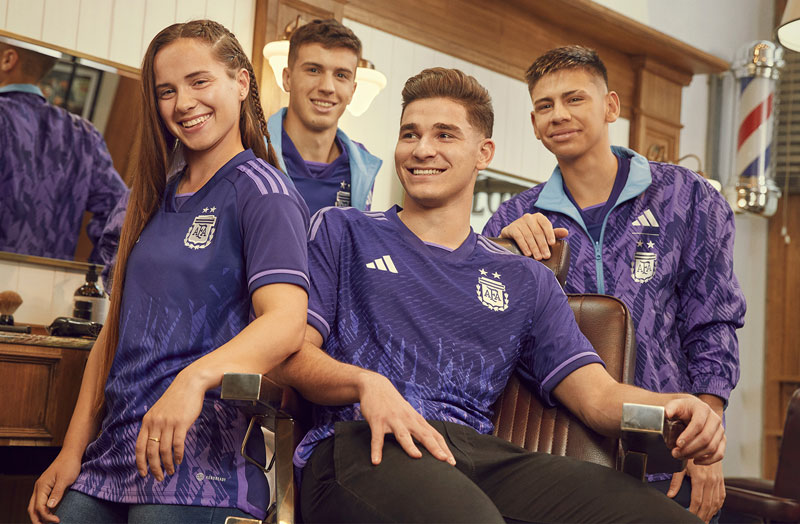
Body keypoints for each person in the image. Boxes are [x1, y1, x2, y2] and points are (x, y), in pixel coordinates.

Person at [269, 67, 725, 523]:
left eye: (444, 134)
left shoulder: (525, 278)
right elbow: (290, 352)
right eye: (410, 134)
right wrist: (365, 383)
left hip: (472, 453)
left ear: (483, 153)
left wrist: (676, 406)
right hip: (360, 443)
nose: (422, 149)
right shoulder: (343, 230)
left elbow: (596, 396)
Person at [28, 20, 309, 523]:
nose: (183, 103)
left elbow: (286, 322)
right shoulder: (149, 198)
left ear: (241, 83)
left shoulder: (264, 193)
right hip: (114, 451)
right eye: (166, 91)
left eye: (199, 82)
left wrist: (191, 380)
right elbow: (115, 333)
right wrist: (72, 451)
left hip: (204, 457)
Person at [482, 45, 746, 523]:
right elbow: (495, 346)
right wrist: (503, 250)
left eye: (574, 99)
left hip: (668, 451)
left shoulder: (686, 197)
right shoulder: (513, 219)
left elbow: (713, 325)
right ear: (534, 123)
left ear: (610, 106)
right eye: (545, 105)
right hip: (561, 457)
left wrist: (705, 441)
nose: (558, 115)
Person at [0, 42, 128, 263]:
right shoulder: (83, 135)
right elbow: (122, 213)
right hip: (48, 282)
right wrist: (95, 274)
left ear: (8, 60)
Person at [267, 18, 382, 215]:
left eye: (341, 75)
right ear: (287, 78)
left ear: (352, 90)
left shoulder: (362, 168)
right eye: (313, 70)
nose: (327, 87)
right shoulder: (251, 150)